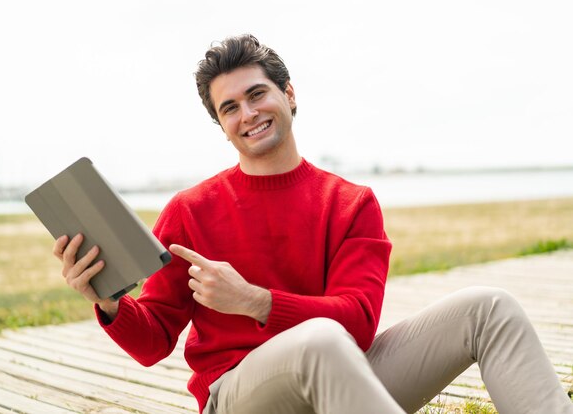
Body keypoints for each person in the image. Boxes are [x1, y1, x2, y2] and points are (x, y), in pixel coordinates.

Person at [53, 34, 573, 414]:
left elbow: (359, 323)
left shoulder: (350, 203)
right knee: (320, 338)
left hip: (343, 380)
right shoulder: (191, 211)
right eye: (229, 108)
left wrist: (254, 301)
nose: (248, 113)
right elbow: (153, 342)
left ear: (289, 95)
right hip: (240, 398)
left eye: (257, 94)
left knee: (489, 307)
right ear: (223, 127)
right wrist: (109, 302)